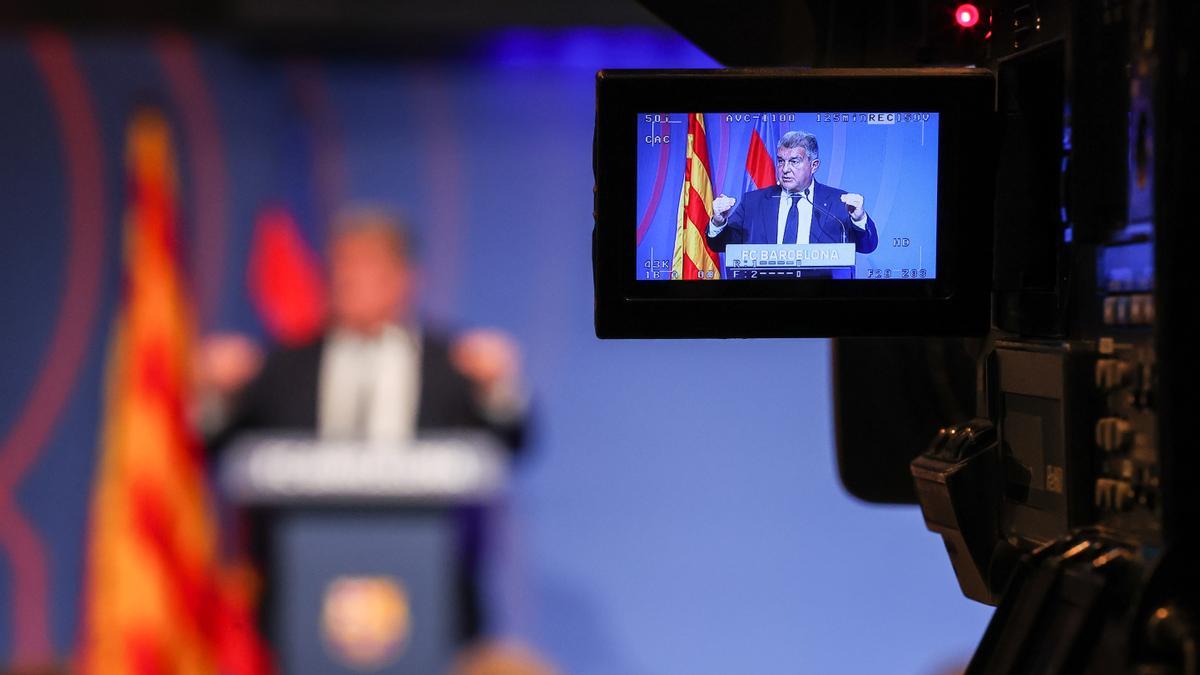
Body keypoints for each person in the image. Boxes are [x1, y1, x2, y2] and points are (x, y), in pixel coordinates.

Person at [199, 206, 529, 642]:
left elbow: (511, 442)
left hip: (433, 596)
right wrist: (217, 395)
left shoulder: (452, 364)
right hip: (301, 601)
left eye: (367, 264)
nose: (349, 278)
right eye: (340, 265)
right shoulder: (283, 364)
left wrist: (498, 389)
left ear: (405, 277)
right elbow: (218, 445)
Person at [705, 130, 879, 254]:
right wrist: (719, 221)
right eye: (781, 161)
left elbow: (867, 246)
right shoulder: (753, 202)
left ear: (814, 165)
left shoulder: (837, 202)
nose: (785, 169)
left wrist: (859, 218)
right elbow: (719, 245)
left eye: (794, 161)